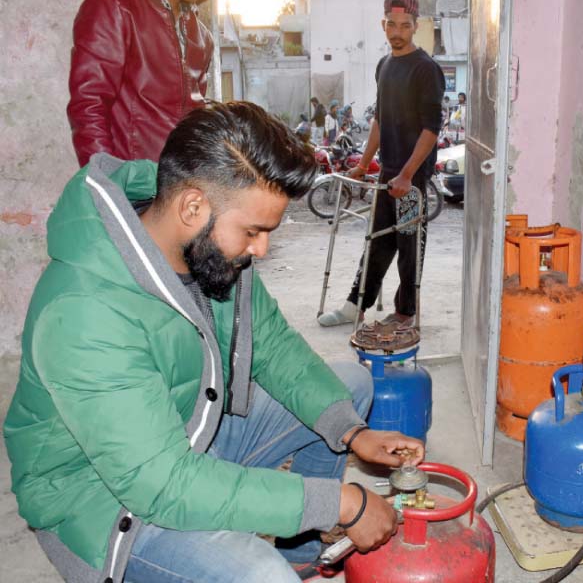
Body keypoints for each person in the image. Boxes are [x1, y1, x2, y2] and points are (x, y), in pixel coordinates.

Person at [4, 102, 424, 583]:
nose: (261, 249)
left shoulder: (208, 249)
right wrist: (339, 504)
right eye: (253, 231)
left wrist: (354, 433)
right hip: (105, 502)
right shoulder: (83, 313)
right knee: (260, 576)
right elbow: (161, 485)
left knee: (347, 387)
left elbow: (274, 348)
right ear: (193, 207)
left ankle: (303, 551)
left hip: (190, 433)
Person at [317, 0, 445, 329]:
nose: (397, 32)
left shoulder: (426, 69)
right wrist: (363, 163)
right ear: (383, 24)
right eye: (391, 24)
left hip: (411, 177)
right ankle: (355, 304)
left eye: (405, 25)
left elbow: (432, 129)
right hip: (388, 173)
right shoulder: (384, 65)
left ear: (416, 26)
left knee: (408, 246)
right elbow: (380, 120)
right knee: (377, 240)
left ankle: (405, 313)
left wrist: (406, 175)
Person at [67, 0, 215, 166]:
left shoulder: (202, 37)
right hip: (131, 186)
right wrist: (107, 181)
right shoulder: (115, 5)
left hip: (181, 184)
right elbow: (88, 106)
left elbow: (194, 114)